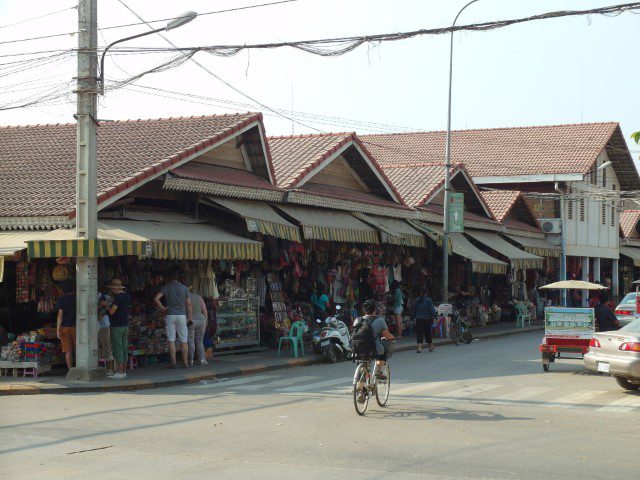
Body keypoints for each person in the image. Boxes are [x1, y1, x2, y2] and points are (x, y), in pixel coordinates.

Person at [154, 267, 192, 369]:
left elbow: (156, 299)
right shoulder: (184, 288)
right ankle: (185, 362)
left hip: (170, 315)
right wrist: (190, 317)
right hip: (182, 315)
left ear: (169, 279)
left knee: (171, 340)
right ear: (178, 278)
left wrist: (162, 307)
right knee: (184, 340)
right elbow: (188, 303)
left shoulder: (166, 287)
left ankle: (174, 363)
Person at [353, 299, 395, 375]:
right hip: (373, 349)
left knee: (362, 363)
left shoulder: (357, 320)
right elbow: (387, 335)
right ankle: (378, 372)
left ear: (363, 310)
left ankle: (360, 384)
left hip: (357, 348)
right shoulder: (379, 320)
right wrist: (393, 338)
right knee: (383, 352)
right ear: (375, 310)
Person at [101, 279, 130, 380]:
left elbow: (112, 312)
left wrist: (107, 305)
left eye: (112, 288)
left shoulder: (118, 298)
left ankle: (120, 372)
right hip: (125, 325)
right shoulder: (127, 296)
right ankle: (124, 372)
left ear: (115, 288)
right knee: (124, 348)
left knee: (118, 349)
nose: (112, 290)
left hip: (117, 326)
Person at [55, 281, 76, 369]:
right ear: (74, 289)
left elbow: (60, 315)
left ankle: (70, 370)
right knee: (79, 349)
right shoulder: (77, 298)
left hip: (65, 328)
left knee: (68, 350)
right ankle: (80, 368)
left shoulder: (62, 299)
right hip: (77, 327)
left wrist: (58, 329)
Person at [188, 285, 208, 366]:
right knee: (200, 340)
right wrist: (206, 321)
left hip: (191, 320)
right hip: (201, 320)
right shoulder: (199, 297)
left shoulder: (186, 297)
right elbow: (204, 310)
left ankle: (191, 360)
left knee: (191, 341)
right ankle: (202, 359)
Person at [413, 288, 436, 353]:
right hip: (427, 319)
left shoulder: (417, 300)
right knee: (428, 333)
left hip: (418, 319)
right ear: (426, 293)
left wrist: (414, 317)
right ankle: (430, 346)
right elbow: (432, 310)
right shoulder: (429, 300)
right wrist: (435, 316)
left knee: (419, 333)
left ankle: (419, 348)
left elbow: (414, 310)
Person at [97, 289, 114, 375]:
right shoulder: (103, 297)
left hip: (102, 325)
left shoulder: (103, 298)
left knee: (106, 346)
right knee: (97, 348)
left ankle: (110, 369)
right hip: (99, 325)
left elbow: (102, 312)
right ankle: (102, 368)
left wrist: (97, 321)